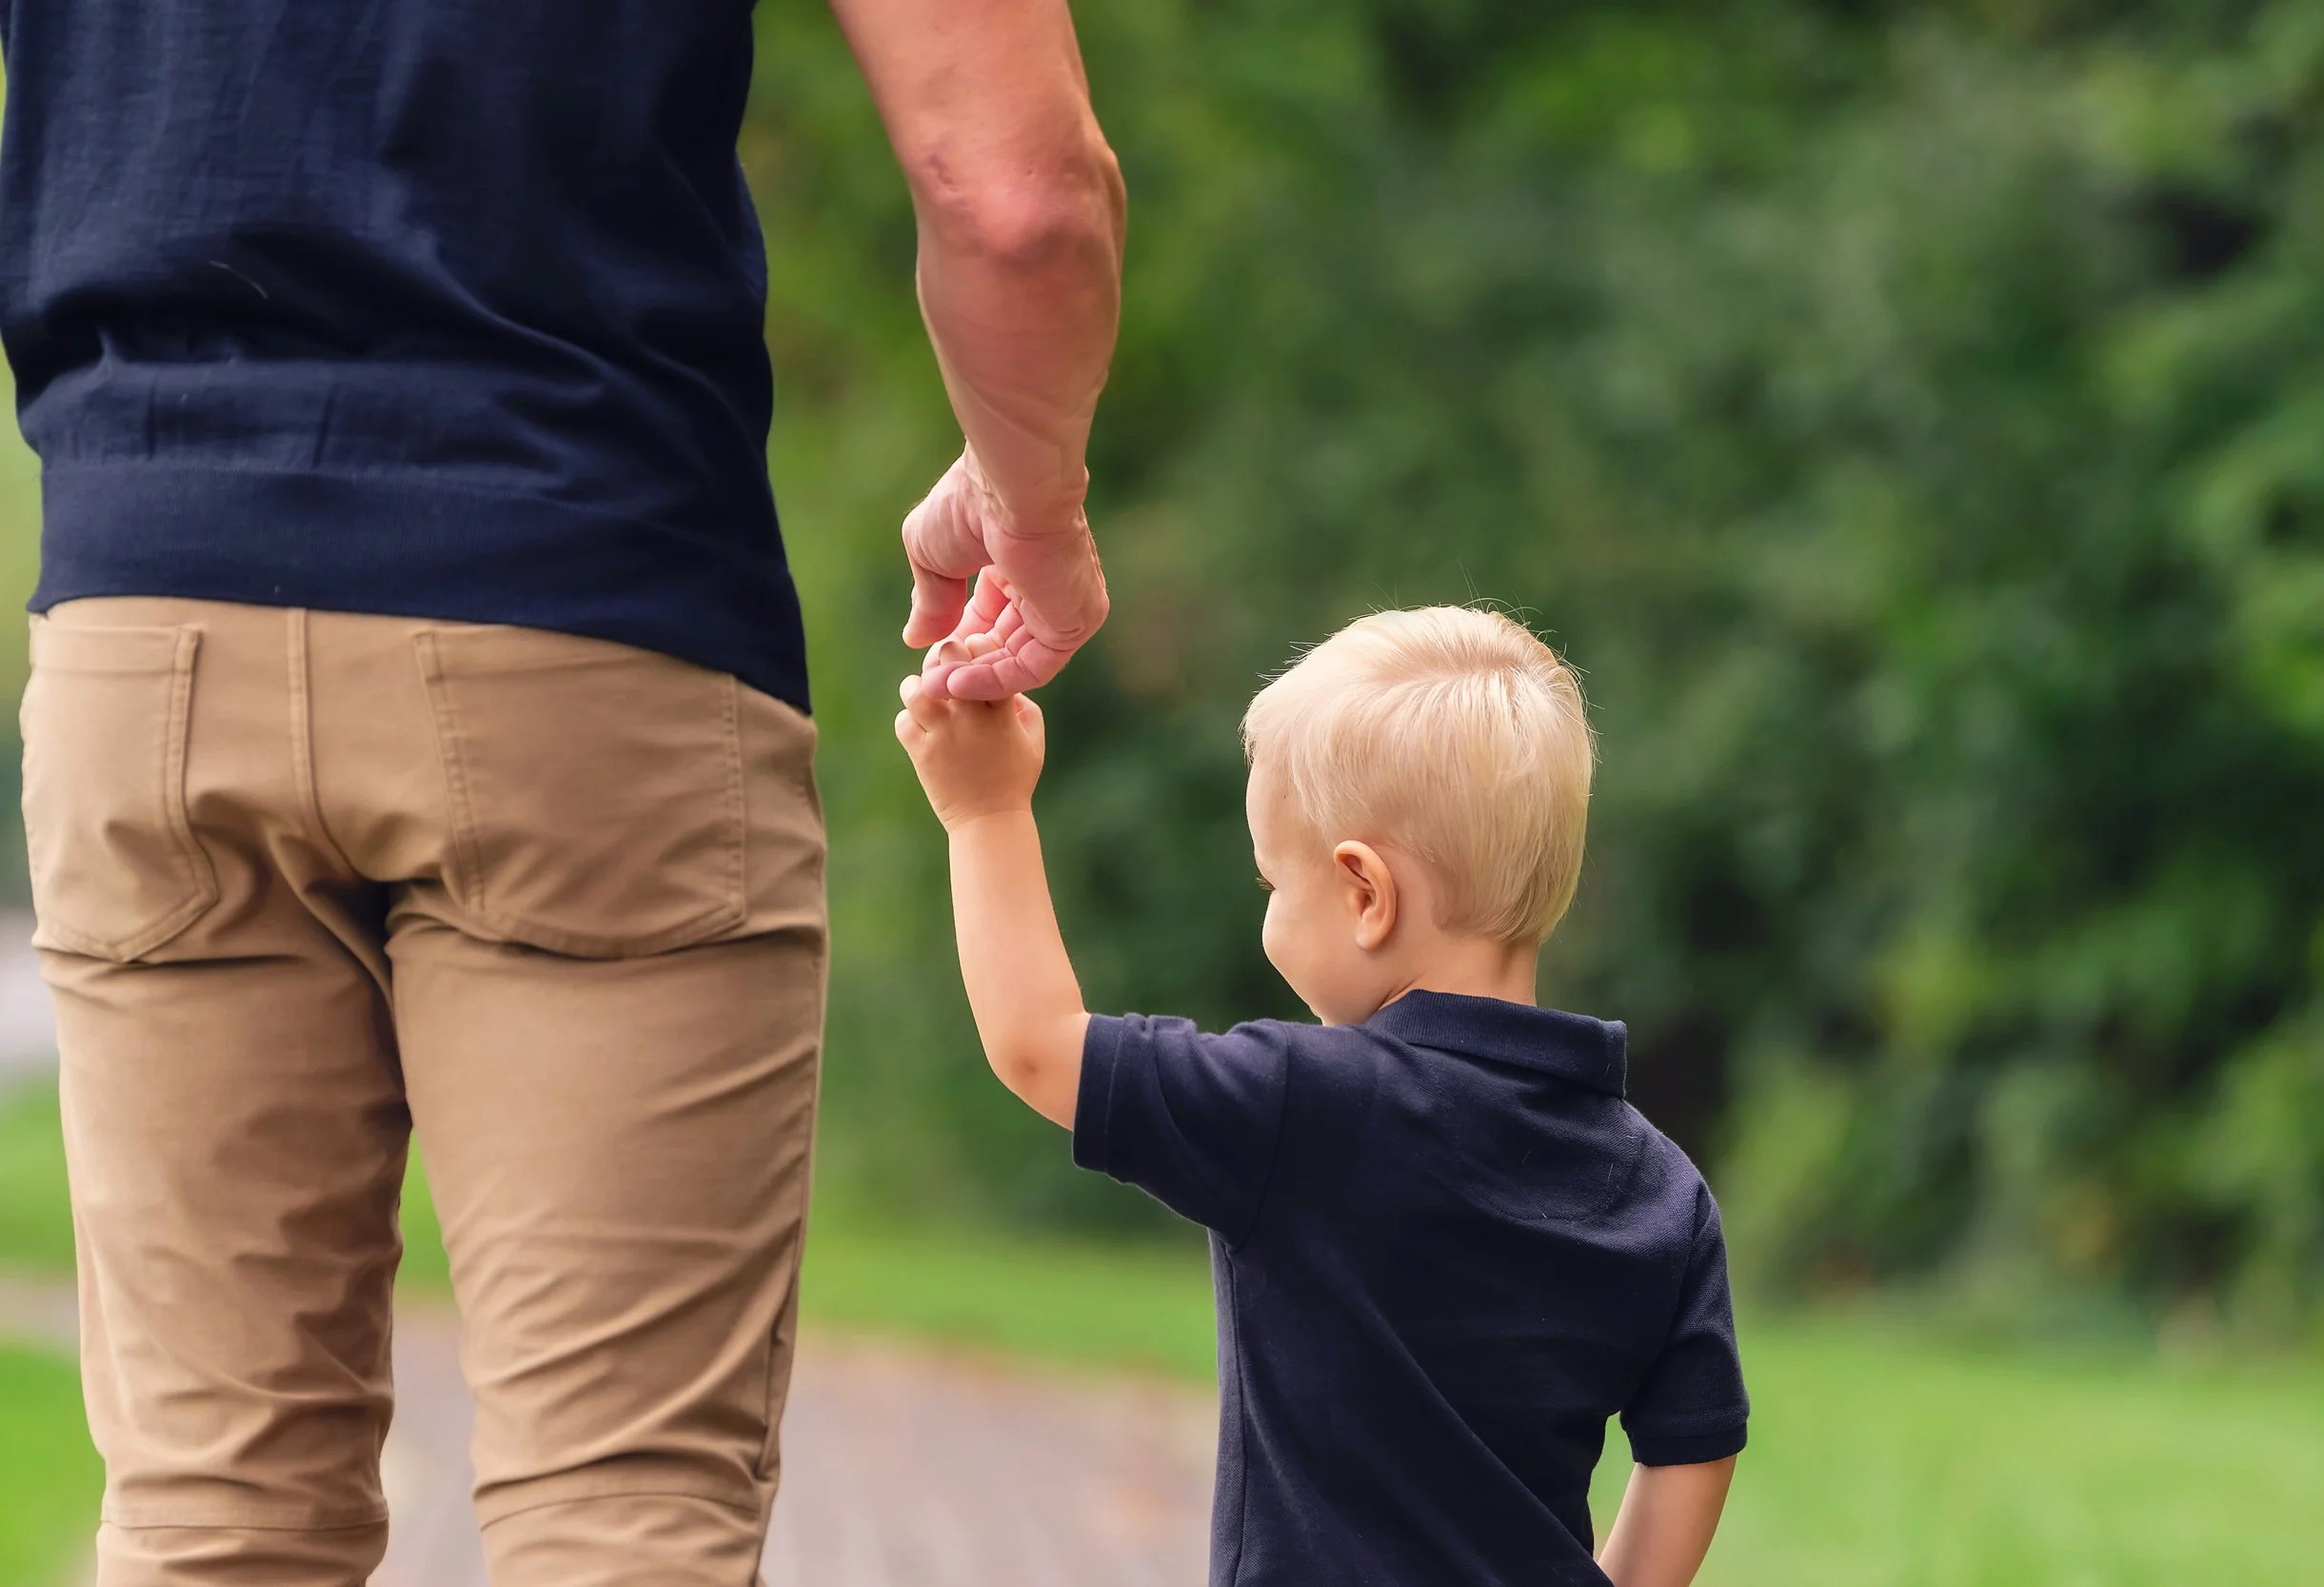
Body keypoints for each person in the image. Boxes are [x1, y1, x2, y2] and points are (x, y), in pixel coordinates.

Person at [0, 0, 1122, 1580]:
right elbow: (1016, 196)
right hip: (586, 616)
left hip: (148, 618)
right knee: (619, 1510)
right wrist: (1034, 503)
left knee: (210, 1511)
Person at [896, 605, 1750, 1586]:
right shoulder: (1661, 1190)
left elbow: (1039, 1046)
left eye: (1272, 883)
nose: (1267, 913)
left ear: (1364, 894)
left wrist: (986, 811)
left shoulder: (1301, 1109)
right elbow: (1695, 1440)